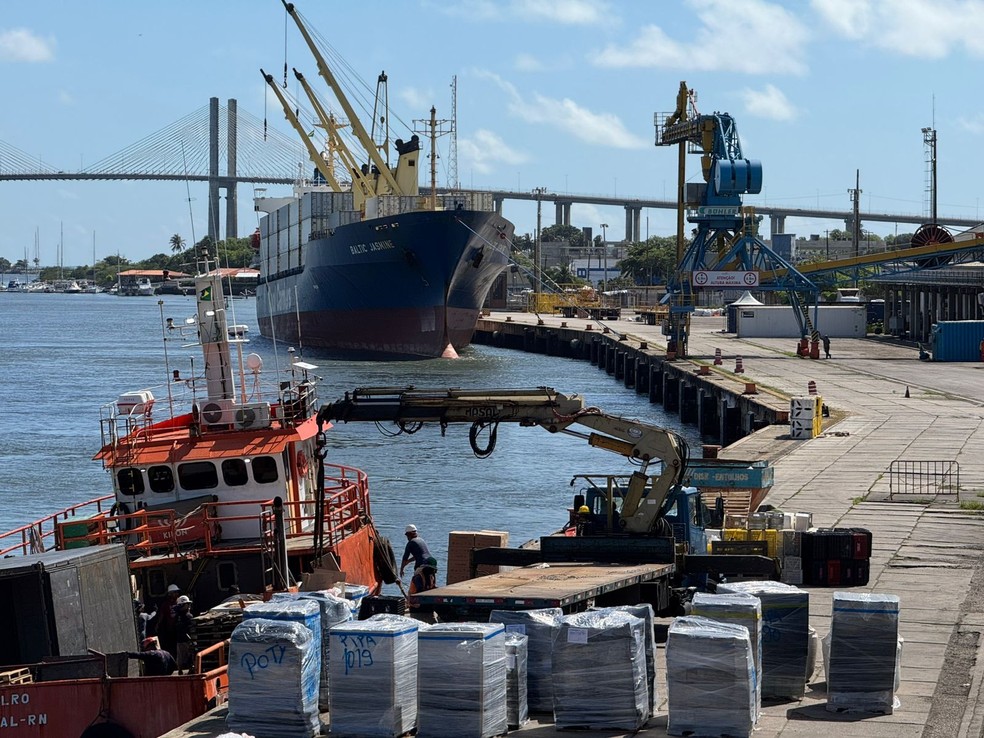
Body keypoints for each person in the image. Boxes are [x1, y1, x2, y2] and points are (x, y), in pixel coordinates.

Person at [173, 595, 197, 674]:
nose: (189, 606)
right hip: (187, 640)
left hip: (179, 639)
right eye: (188, 604)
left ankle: (180, 670)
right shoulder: (188, 616)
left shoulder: (177, 616)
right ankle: (191, 668)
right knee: (190, 655)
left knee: (180, 657)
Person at [156, 584, 181, 657]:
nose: (176, 594)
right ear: (170, 593)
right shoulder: (166, 604)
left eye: (177, 592)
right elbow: (162, 615)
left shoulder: (180, 602)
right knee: (172, 645)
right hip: (171, 628)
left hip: (179, 628)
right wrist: (158, 625)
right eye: (174, 592)